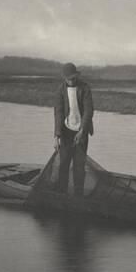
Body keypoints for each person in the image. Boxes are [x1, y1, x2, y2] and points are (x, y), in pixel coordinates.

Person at [54, 62, 94, 196]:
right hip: (66, 131)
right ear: (64, 78)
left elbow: (89, 111)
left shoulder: (84, 88)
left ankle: (78, 195)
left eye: (73, 78)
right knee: (63, 164)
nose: (71, 81)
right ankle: (61, 194)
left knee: (79, 166)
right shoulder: (60, 90)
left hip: (81, 131)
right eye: (68, 78)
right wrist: (57, 136)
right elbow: (58, 113)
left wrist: (82, 131)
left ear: (76, 76)